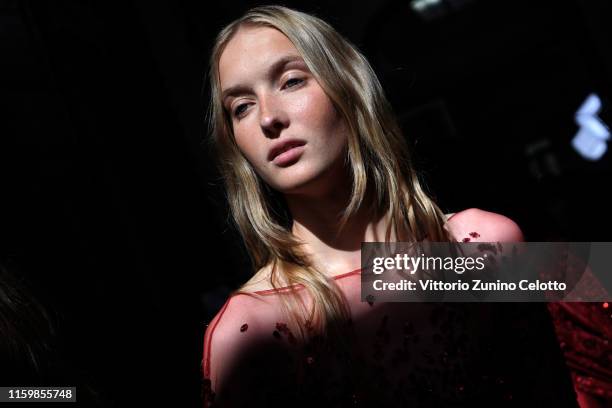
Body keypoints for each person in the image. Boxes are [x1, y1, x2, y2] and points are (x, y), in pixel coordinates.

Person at [201, 5, 577, 407]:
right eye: (241, 107)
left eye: (291, 81)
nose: (268, 118)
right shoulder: (249, 329)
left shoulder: (483, 244)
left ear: (348, 87)